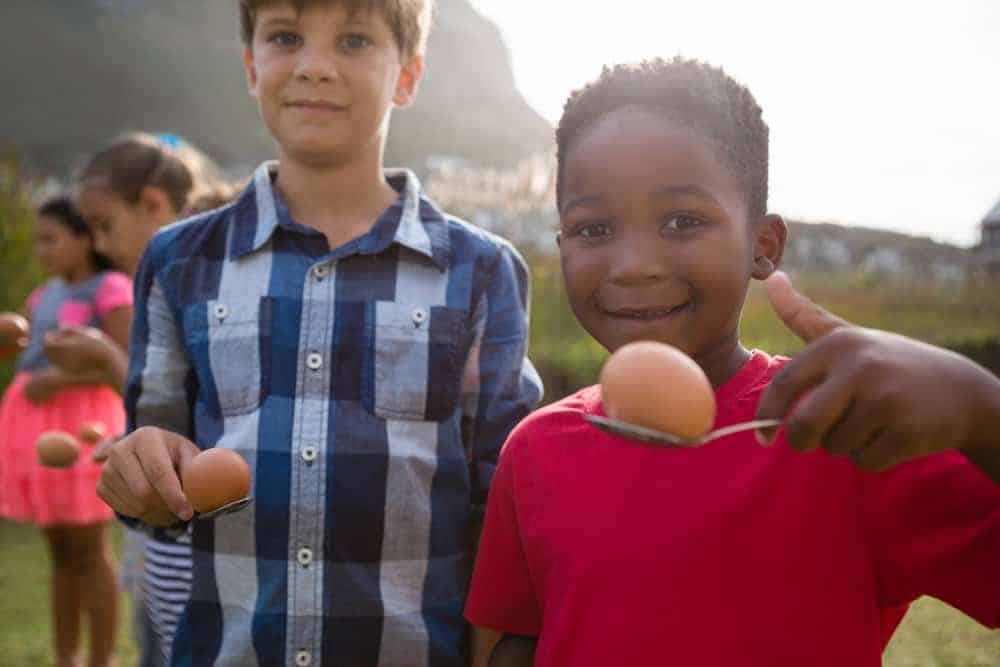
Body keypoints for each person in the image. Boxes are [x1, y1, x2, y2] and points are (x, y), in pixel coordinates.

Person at [464, 57, 1000, 667]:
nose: (635, 263)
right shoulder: (535, 450)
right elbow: (515, 641)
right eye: (593, 229)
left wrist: (979, 406)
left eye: (682, 221)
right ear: (562, 246)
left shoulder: (841, 434)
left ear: (762, 245)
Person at [95, 1, 543, 665]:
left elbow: (500, 517)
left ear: (408, 75)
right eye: (285, 37)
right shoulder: (180, 261)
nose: (314, 67)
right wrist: (139, 476)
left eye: (355, 40)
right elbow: (155, 487)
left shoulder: (480, 272)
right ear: (253, 68)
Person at [46, 132, 230, 667]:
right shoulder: (156, 287)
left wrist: (105, 359)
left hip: (193, 551)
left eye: (105, 226)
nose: (99, 246)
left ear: (152, 204)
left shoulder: (197, 287)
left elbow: (195, 412)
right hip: (160, 545)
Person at [0, 197, 132, 667]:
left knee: (89, 548)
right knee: (57, 547)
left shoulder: (111, 288)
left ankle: (99, 658)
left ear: (85, 238)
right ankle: (65, 657)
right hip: (35, 423)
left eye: (51, 238)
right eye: (38, 240)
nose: (42, 250)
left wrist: (63, 381)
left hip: (84, 426)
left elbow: (125, 360)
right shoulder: (43, 295)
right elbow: (31, 351)